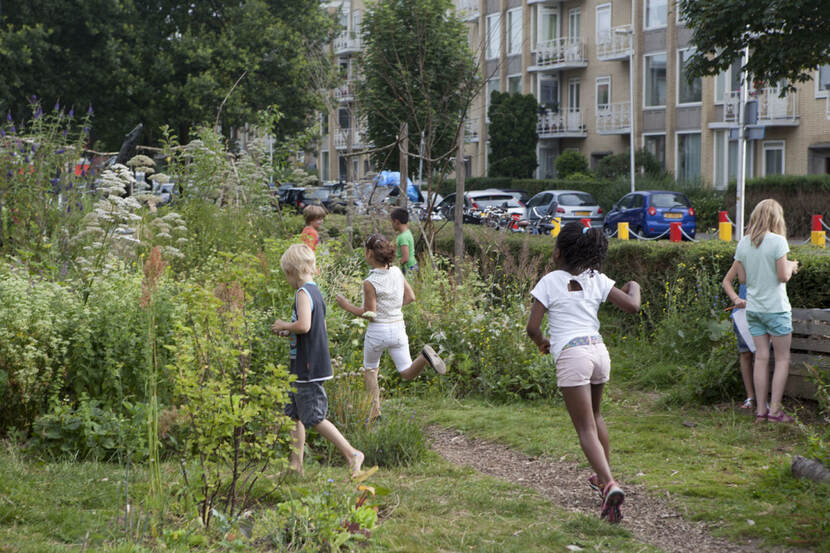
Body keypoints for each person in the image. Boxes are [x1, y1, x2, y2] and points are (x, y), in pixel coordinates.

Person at [525, 222, 641, 524]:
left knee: (585, 428)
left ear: (559, 251)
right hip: (598, 352)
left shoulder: (549, 281)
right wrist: (634, 286)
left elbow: (532, 327)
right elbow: (631, 305)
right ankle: (603, 479)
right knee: (597, 416)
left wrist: (542, 343)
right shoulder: (596, 278)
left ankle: (609, 483)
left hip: (573, 355)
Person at [271, 244, 364, 477]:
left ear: (292, 271)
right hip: (303, 364)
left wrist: (285, 325)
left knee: (313, 417)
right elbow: (314, 329)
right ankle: (295, 467)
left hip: (308, 367)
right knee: (293, 414)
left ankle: (352, 453)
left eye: (286, 275)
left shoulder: (302, 293)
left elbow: (304, 325)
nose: (287, 280)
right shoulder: (316, 292)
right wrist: (289, 332)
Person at [335, 234, 446, 420]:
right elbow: (411, 297)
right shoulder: (396, 272)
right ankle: (425, 357)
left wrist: (346, 305)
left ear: (369, 253)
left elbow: (369, 314)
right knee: (406, 372)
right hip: (398, 329)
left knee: (371, 370)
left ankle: (375, 412)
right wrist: (392, 309)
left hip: (378, 332)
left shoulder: (370, 281)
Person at [731, 199, 799, 423]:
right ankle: (775, 411)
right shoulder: (778, 242)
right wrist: (791, 265)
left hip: (754, 309)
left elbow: (742, 278)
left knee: (760, 358)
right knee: (781, 359)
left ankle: (760, 411)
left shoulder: (743, 242)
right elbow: (783, 277)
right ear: (776, 218)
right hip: (777, 310)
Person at [722, 261, 756, 410]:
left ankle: (765, 399)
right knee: (745, 354)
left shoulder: (772, 250)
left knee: (763, 356)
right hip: (743, 314)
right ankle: (750, 396)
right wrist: (736, 299)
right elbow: (726, 280)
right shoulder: (743, 254)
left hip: (764, 312)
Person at [390, 208, 418, 275]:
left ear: (396, 222)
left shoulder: (403, 237)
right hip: (412, 265)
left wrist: (394, 265)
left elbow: (405, 258)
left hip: (408, 268)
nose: (392, 224)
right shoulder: (407, 232)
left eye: (392, 222)